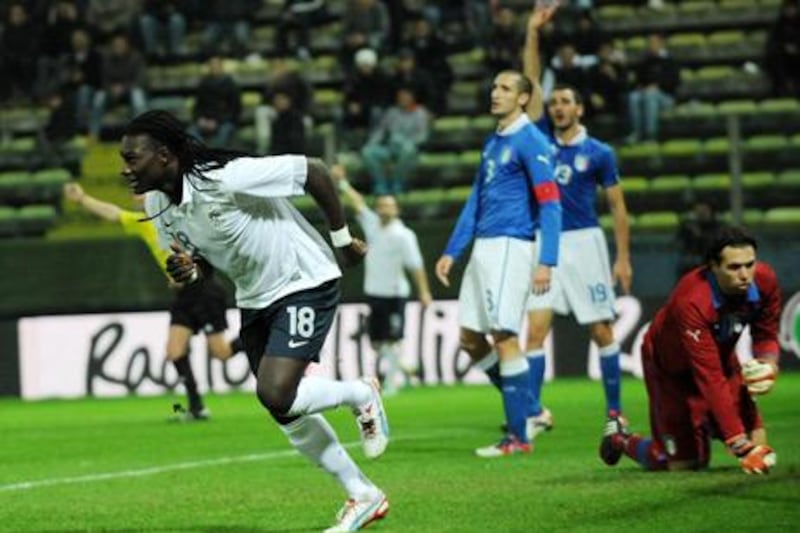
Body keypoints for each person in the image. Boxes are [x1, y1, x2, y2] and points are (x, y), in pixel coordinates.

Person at [119, 110, 390, 532]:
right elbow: (203, 262)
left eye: (133, 158)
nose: (125, 168)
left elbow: (313, 171)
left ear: (165, 156)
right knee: (281, 408)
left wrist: (341, 240)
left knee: (276, 391)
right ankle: (363, 495)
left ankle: (360, 393)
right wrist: (191, 272)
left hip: (304, 278)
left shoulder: (225, 177)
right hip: (254, 296)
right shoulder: (158, 206)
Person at [518, 1, 633, 444]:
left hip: (585, 243)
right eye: (555, 102)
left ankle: (616, 414)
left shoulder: (600, 153)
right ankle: (532, 411)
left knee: (600, 329)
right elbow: (529, 82)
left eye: (567, 102)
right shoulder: (540, 139)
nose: (559, 107)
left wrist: (622, 258)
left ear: (580, 109)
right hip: (545, 243)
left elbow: (619, 208)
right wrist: (532, 33)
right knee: (535, 329)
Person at [434, 69, 562, 458]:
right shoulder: (493, 142)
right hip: (484, 249)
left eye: (505, 88)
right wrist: (453, 250)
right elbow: (476, 199)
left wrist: (547, 261)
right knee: (470, 339)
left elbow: (550, 202)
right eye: (494, 87)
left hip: (510, 245)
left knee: (504, 336)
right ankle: (532, 409)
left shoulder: (530, 140)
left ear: (523, 98)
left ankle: (518, 438)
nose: (495, 93)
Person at [600, 227, 781, 475]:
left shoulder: (765, 281)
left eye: (749, 264)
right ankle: (621, 439)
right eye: (734, 267)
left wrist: (769, 364)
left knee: (759, 443)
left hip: (722, 361)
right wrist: (738, 444)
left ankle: (702, 429)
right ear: (712, 266)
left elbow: (766, 334)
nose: (745, 275)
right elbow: (709, 376)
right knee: (682, 465)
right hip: (670, 371)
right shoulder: (692, 301)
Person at [62, 182, 242, 421]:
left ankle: (259, 332)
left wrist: (192, 271)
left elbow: (207, 247)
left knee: (221, 353)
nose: (137, 194)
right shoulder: (145, 224)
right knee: (175, 350)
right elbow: (113, 213)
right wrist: (83, 199)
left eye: (143, 189)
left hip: (204, 288)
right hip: (184, 295)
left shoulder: (180, 219)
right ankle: (197, 408)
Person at [332, 164, 433, 395]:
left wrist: (424, 292)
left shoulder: (404, 235)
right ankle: (404, 367)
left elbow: (416, 266)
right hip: (374, 291)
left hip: (396, 293)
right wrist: (343, 183)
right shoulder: (372, 225)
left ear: (396, 209)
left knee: (392, 339)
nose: (385, 209)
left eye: (389, 206)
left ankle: (391, 383)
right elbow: (357, 202)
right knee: (376, 342)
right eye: (382, 206)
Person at [360, 86, 430, 195]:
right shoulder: (392, 112)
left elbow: (422, 136)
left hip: (410, 150)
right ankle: (381, 184)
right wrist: (371, 143)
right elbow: (380, 131)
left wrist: (407, 142)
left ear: (412, 97)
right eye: (400, 97)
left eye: (405, 97)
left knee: (408, 150)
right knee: (367, 152)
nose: (403, 99)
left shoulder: (420, 113)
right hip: (390, 149)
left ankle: (397, 183)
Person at [676, 200, 724, 279]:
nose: (701, 214)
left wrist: (700, 235)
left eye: (704, 211)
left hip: (711, 262)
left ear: (711, 212)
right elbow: (680, 242)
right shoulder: (688, 227)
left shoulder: (718, 226)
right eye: (698, 211)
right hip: (691, 263)